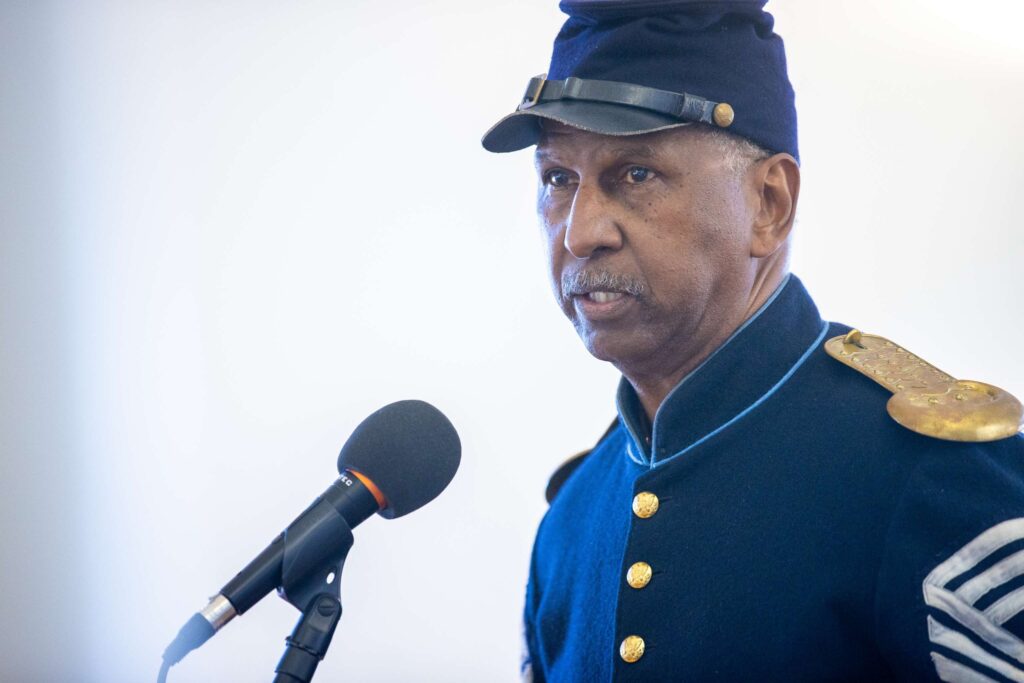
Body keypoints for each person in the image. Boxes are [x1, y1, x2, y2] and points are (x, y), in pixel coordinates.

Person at [481, 1, 1024, 681]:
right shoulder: (572, 520)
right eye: (558, 179)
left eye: (636, 174)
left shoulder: (923, 472)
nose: (580, 231)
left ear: (770, 204)